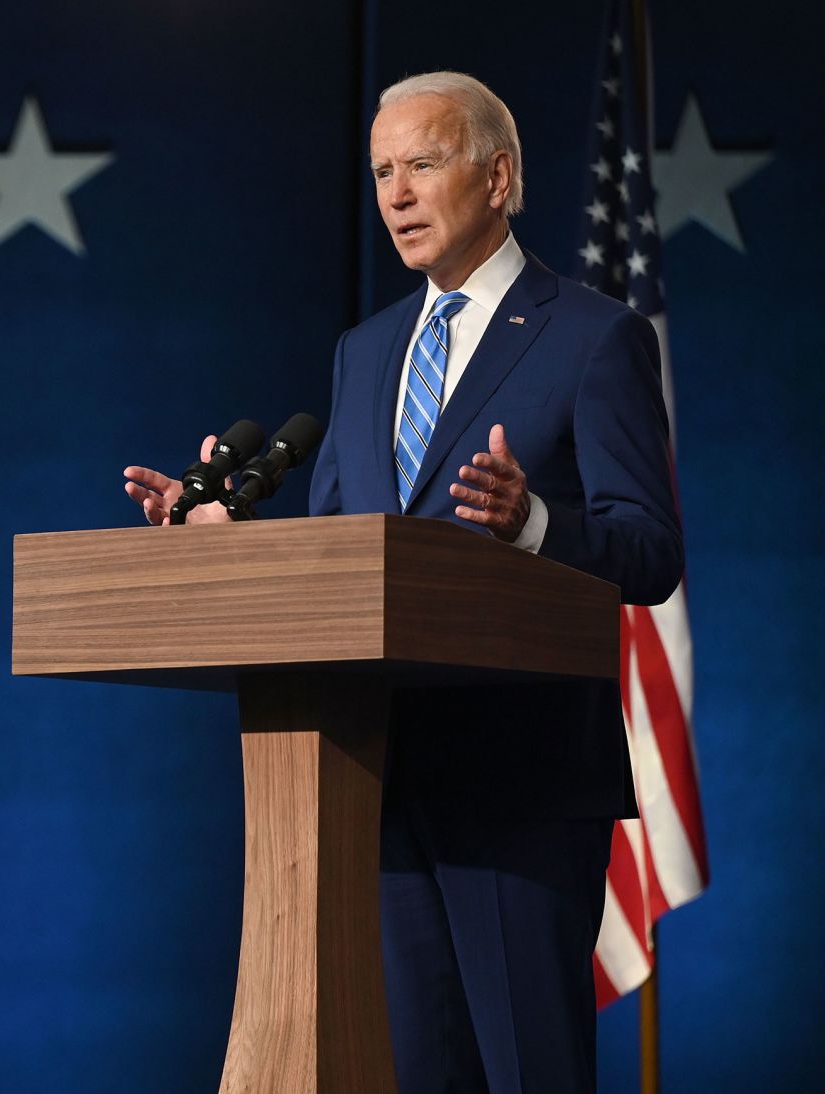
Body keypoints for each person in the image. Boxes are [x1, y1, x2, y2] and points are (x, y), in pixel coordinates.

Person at [125, 72, 682, 1093]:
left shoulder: (592, 336)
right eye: (382, 170)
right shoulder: (366, 349)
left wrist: (535, 523)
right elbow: (346, 546)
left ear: (498, 175)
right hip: (375, 774)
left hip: (519, 784)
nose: (395, 194)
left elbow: (648, 551)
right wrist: (224, 534)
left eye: (422, 164)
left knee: (530, 1070)